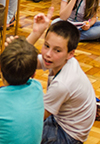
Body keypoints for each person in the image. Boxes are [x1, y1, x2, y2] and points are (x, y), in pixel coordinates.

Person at [24, 8, 96, 143]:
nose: (48, 54)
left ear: (70, 53)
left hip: (67, 134)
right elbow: (17, 62)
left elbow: (36, 118)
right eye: (46, 46)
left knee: (17, 132)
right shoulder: (60, 61)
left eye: (57, 50)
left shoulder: (62, 84)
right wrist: (36, 33)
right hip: (63, 119)